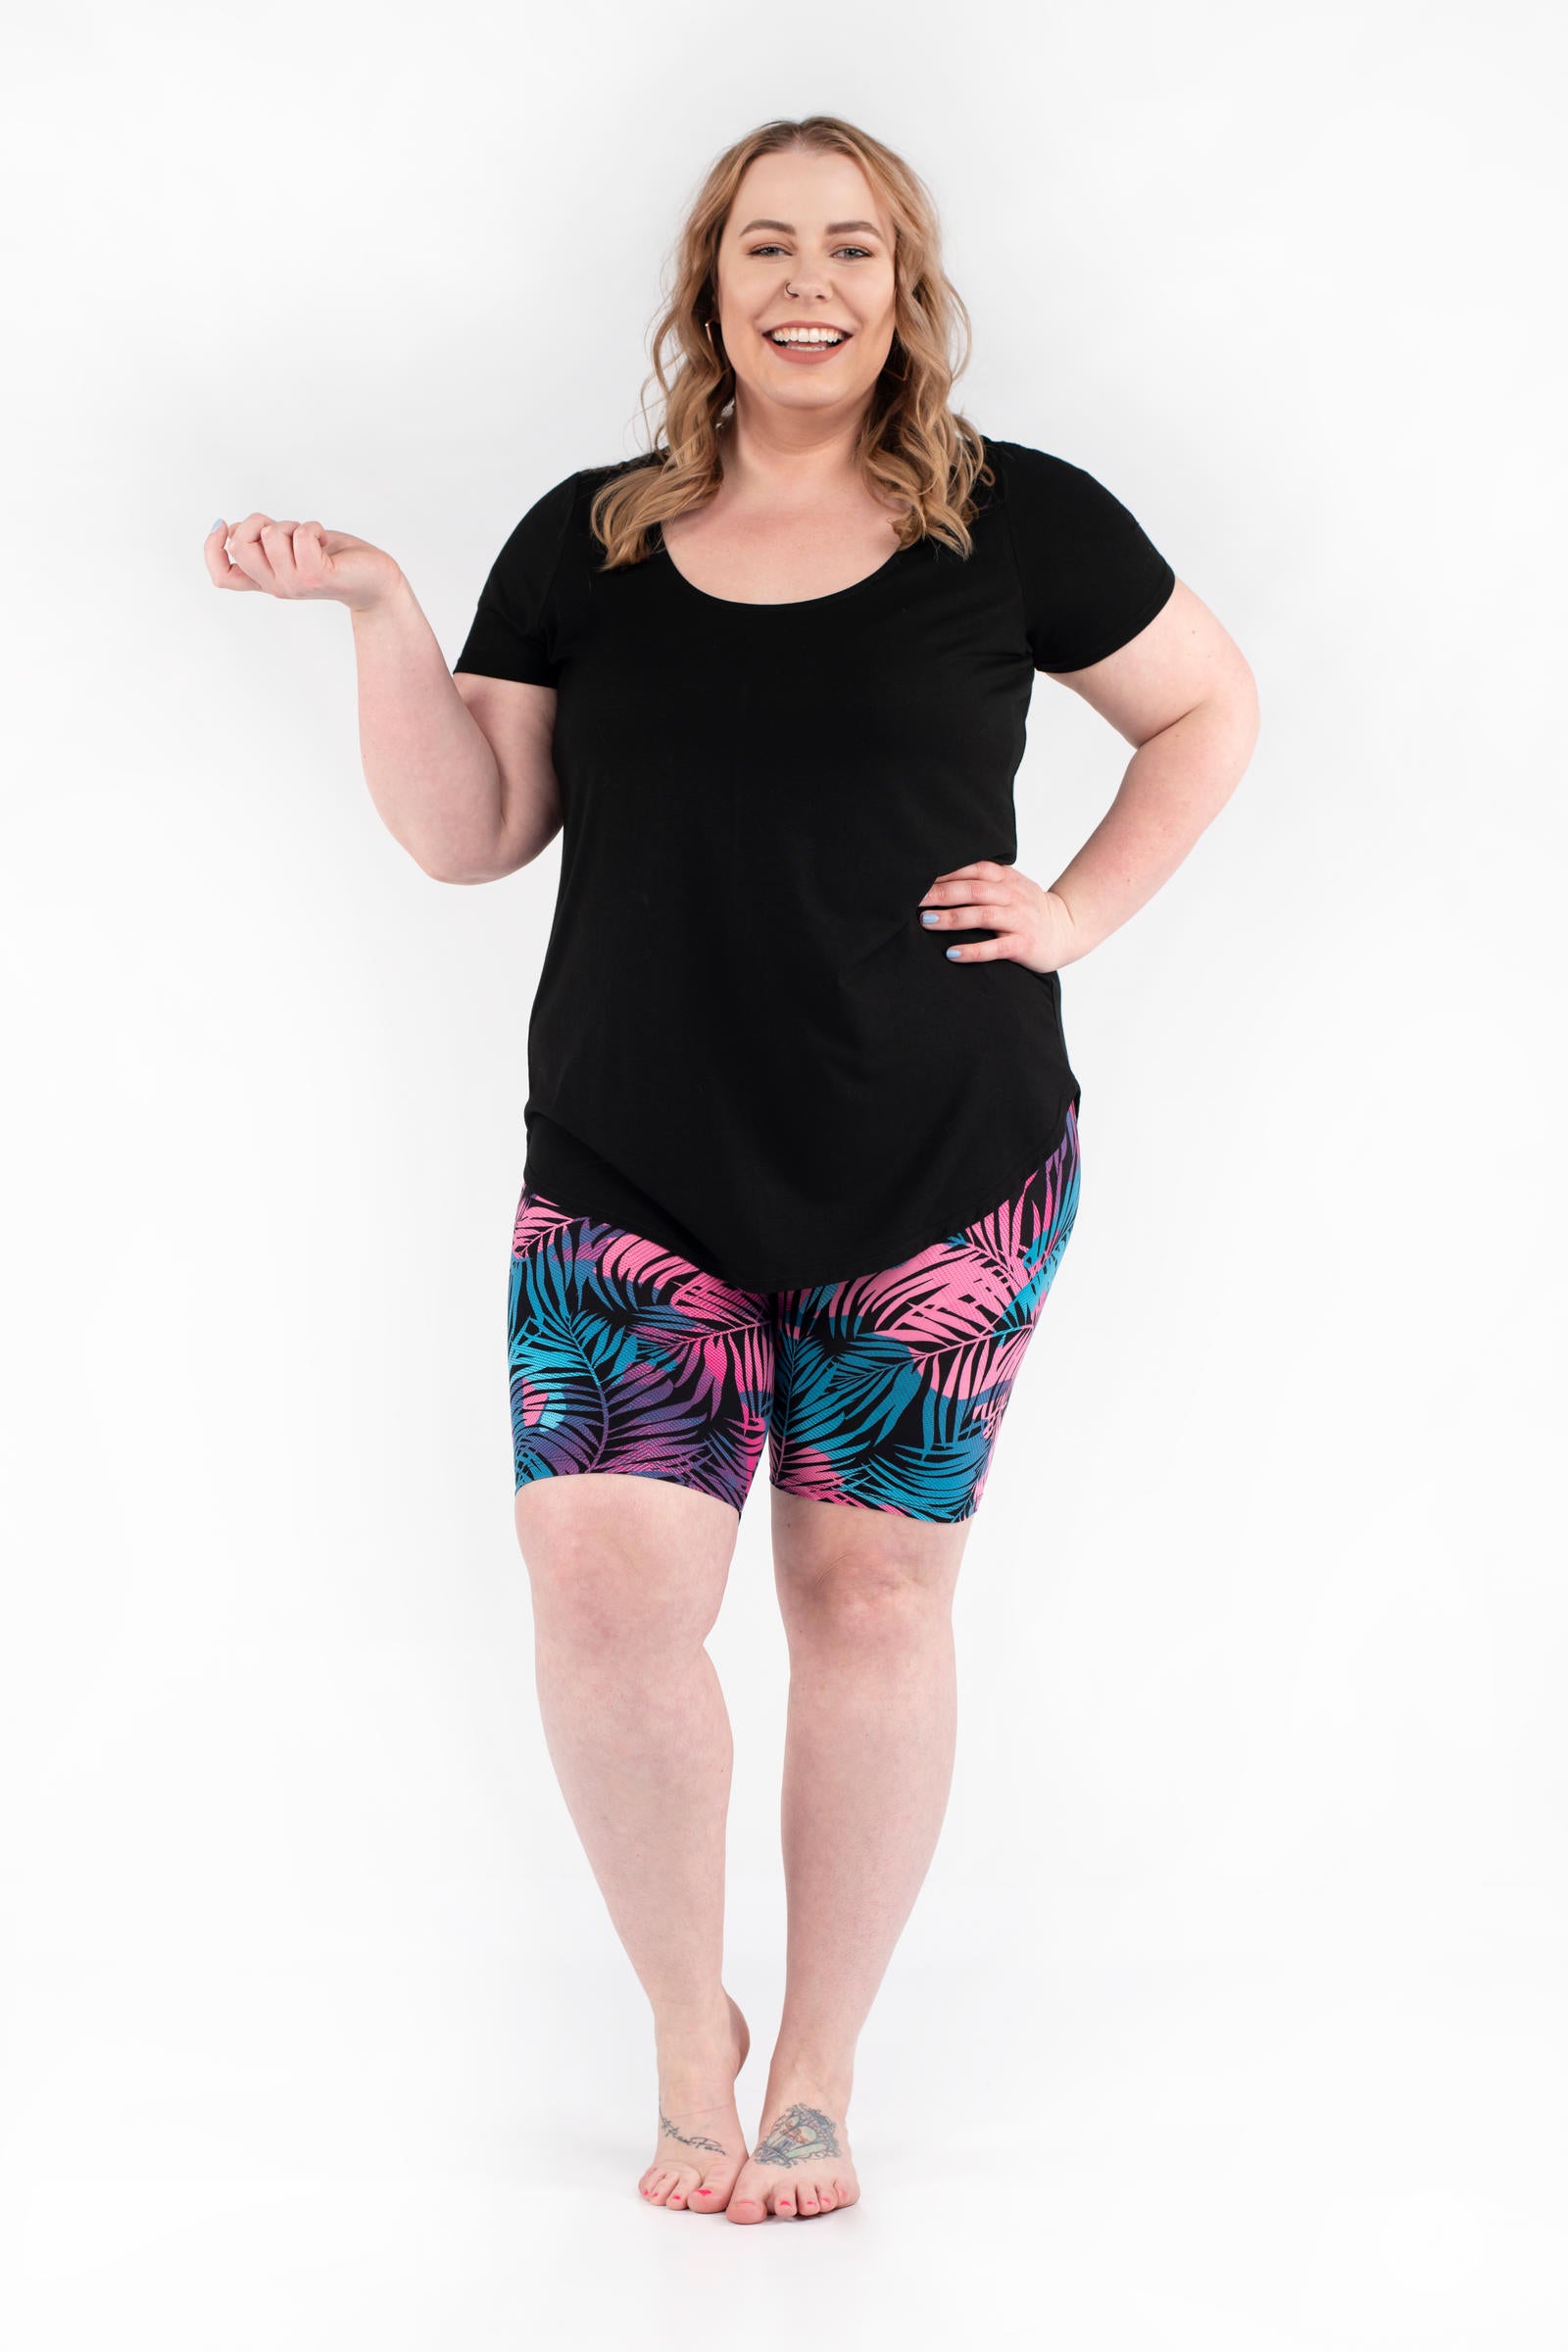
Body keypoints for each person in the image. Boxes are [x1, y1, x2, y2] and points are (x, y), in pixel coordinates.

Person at [204, 114, 1259, 2226]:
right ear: (708, 282)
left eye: (851, 249)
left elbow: (1206, 710)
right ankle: (689, 2029)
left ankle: (818, 2072)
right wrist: (383, 609)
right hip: (634, 1159)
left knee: (867, 1597)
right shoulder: (587, 540)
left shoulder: (1018, 522)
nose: (808, 284)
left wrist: (1072, 909)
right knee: (607, 1596)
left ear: (904, 287)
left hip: (937, 1160)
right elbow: (470, 831)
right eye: (767, 245)